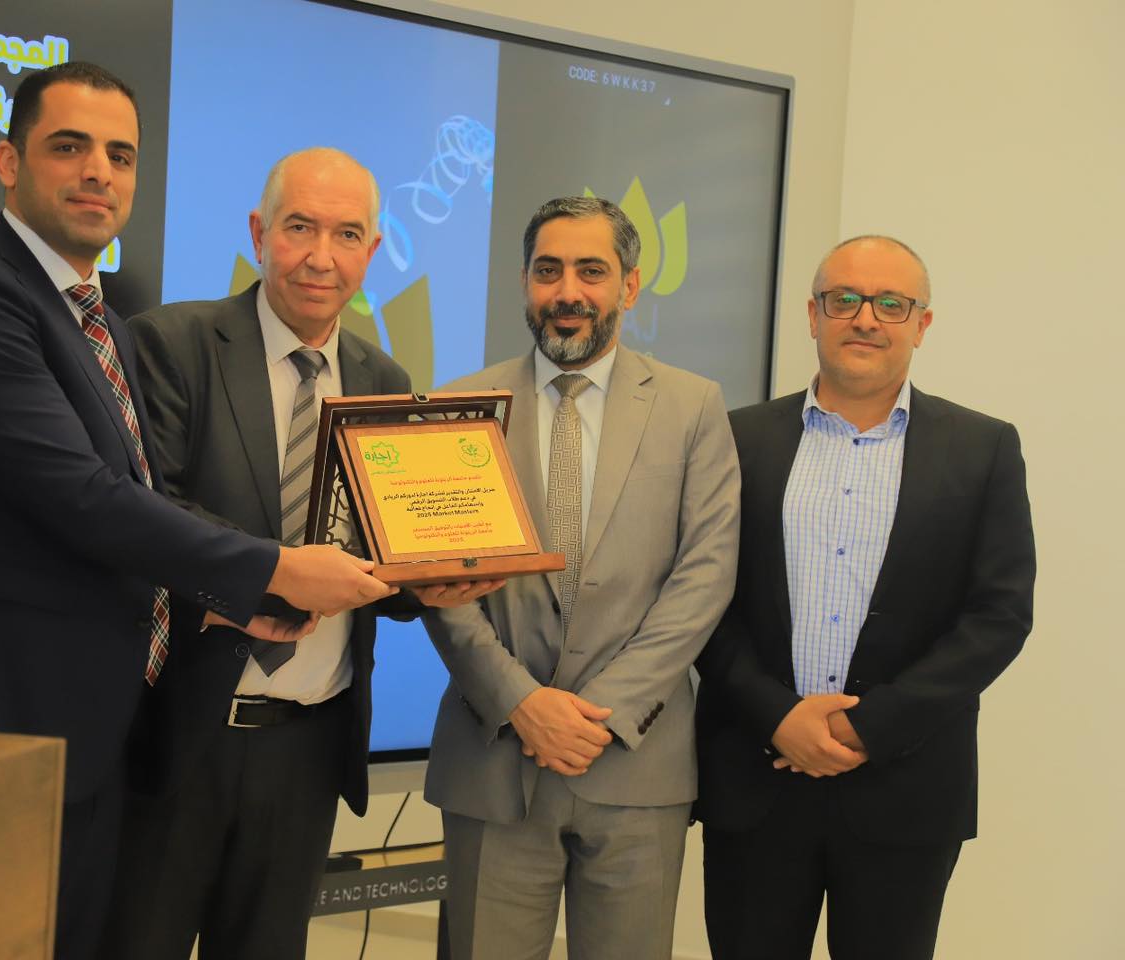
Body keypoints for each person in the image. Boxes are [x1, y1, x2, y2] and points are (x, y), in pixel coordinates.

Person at [0, 66, 391, 960]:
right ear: (9, 162)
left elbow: (120, 515)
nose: (98, 171)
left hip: (86, 737)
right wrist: (272, 569)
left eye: (120, 155)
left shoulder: (90, 315)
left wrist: (219, 605)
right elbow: (84, 498)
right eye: (69, 147)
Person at [105, 146, 499, 960]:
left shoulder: (382, 378)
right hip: (181, 735)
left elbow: (378, 554)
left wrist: (430, 584)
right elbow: (147, 512)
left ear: (372, 251)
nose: (322, 256)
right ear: (259, 234)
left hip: (310, 747)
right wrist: (274, 578)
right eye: (299, 228)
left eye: (346, 235)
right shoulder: (172, 343)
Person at [694, 235, 1035, 960]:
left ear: (922, 324)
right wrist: (777, 716)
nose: (865, 318)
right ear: (812, 315)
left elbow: (999, 615)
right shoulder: (735, 440)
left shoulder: (984, 448)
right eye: (844, 299)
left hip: (906, 787)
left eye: (890, 304)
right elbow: (702, 602)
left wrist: (868, 727)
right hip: (755, 776)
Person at [421, 196, 740, 960]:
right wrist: (522, 702)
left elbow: (705, 575)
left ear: (629, 285)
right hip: (495, 756)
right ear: (524, 282)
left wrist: (600, 713)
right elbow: (438, 584)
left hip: (636, 760)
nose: (568, 291)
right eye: (548, 270)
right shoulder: (459, 406)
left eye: (591, 271)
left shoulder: (693, 406)